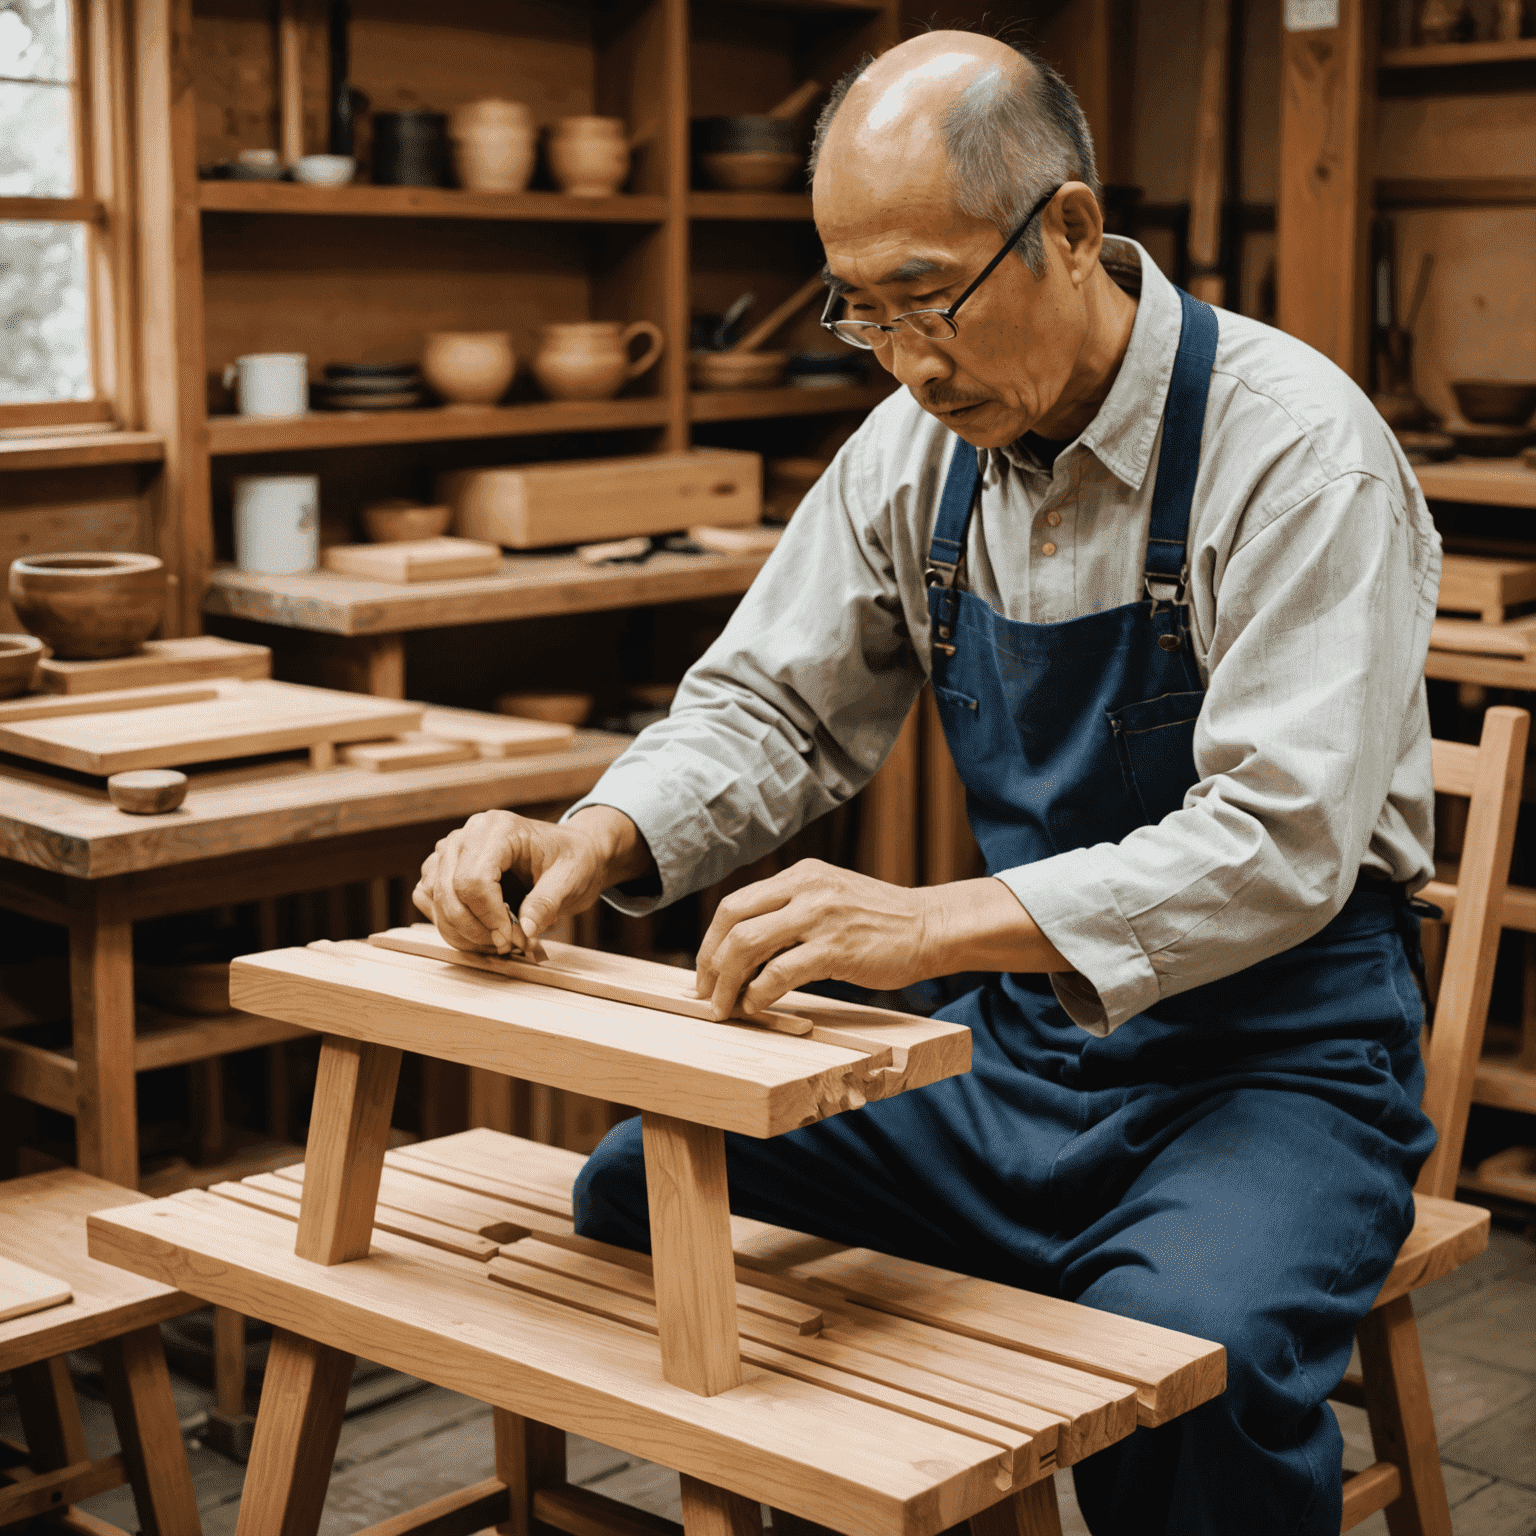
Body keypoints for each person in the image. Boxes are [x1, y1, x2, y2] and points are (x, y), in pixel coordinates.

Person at [414, 29, 1442, 1536]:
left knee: (1181, 1366)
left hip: (1276, 1067)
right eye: (863, 312)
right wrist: (595, 830)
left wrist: (926, 927)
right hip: (1028, 1060)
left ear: (1072, 230)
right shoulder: (917, 450)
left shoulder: (1292, 451)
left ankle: (1118, 1303)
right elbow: (769, 703)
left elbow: (1279, 843)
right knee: (636, 1194)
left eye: (929, 300)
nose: (904, 359)